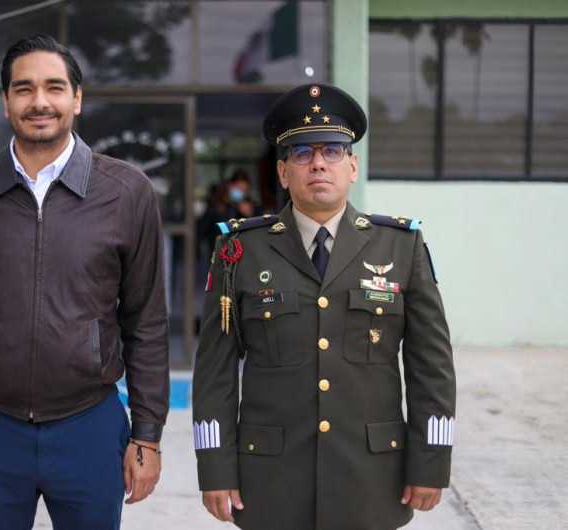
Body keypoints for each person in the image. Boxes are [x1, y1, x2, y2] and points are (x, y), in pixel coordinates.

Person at [0, 34, 169, 530]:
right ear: (6, 102)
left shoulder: (126, 191)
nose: (40, 102)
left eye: (54, 87)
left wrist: (148, 434)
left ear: (77, 98)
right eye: (23, 89)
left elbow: (146, 320)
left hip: (89, 425)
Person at [192, 83, 456, 530]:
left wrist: (431, 462)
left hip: (372, 476)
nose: (318, 163)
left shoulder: (401, 245)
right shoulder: (239, 250)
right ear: (281, 171)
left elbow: (431, 365)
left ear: (352, 166)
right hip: (271, 478)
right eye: (301, 153)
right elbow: (214, 371)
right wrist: (215, 466)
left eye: (333, 151)